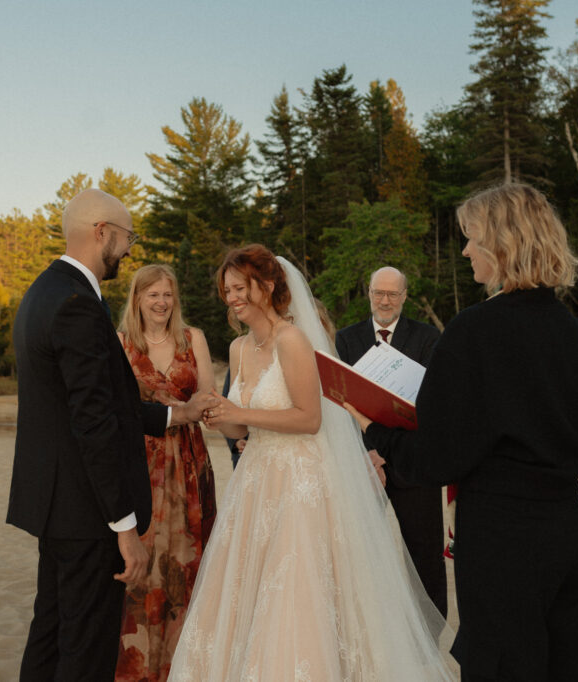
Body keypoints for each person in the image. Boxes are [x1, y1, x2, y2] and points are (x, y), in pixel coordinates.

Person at [343, 183, 578, 681]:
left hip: (501, 545)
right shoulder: (570, 327)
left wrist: (371, 427)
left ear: (502, 243)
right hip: (571, 536)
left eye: (472, 237)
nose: (465, 249)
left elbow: (433, 459)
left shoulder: (473, 329)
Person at [168, 244, 456, 680]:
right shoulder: (240, 347)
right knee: (248, 591)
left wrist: (240, 413)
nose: (231, 298)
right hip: (256, 483)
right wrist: (217, 415)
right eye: (226, 290)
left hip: (300, 481)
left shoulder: (293, 339)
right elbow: (240, 429)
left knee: (297, 592)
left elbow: (309, 417)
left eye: (239, 288)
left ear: (266, 287)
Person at [7, 188, 216, 681]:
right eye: (126, 237)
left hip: (55, 505)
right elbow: (93, 421)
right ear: (101, 232)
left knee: (51, 633)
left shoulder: (43, 292)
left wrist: (174, 416)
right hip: (87, 511)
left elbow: (103, 403)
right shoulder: (79, 303)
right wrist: (125, 529)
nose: (128, 249)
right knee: (87, 648)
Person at [114, 264, 218, 681]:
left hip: (191, 466)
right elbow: (119, 412)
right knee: (144, 569)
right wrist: (180, 412)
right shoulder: (120, 344)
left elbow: (208, 397)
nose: (161, 302)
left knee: (189, 567)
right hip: (141, 465)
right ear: (137, 298)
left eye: (168, 295)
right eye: (152, 294)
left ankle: (185, 670)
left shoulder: (193, 339)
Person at [335, 266, 448, 620]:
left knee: (424, 553)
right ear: (368, 293)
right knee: (358, 552)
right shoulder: (346, 339)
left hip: (413, 462)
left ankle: (431, 630)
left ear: (404, 296)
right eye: (378, 293)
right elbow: (339, 403)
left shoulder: (429, 338)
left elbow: (432, 402)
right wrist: (368, 452)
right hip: (363, 463)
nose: (385, 301)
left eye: (393, 294)